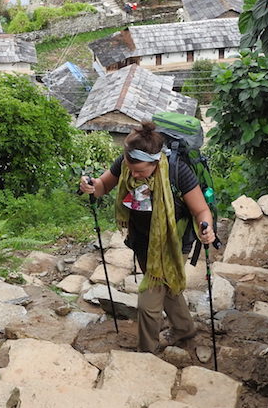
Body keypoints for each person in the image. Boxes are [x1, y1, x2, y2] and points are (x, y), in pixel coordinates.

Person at [80, 122, 216, 353]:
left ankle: (146, 352)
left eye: (141, 171)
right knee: (168, 286)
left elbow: (201, 210)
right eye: (131, 169)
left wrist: (207, 229)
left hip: (173, 241)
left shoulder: (177, 171)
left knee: (149, 302)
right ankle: (184, 329)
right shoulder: (126, 163)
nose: (134, 175)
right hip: (142, 240)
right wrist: (90, 186)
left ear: (156, 161)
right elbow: (103, 185)